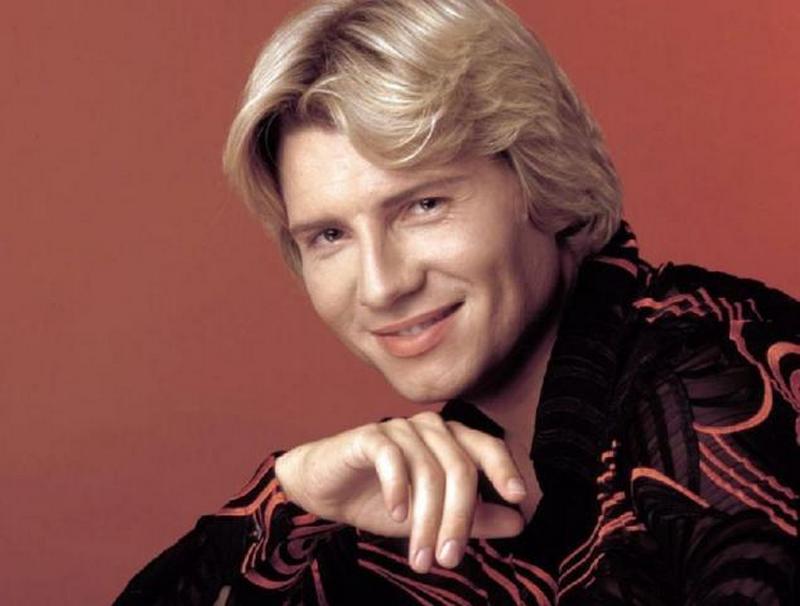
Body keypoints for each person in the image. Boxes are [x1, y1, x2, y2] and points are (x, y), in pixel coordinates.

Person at [115, 0, 799, 604]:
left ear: (541, 176)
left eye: (423, 205)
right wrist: (293, 497)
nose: (381, 285)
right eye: (329, 235)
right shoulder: (418, 493)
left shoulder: (713, 377)